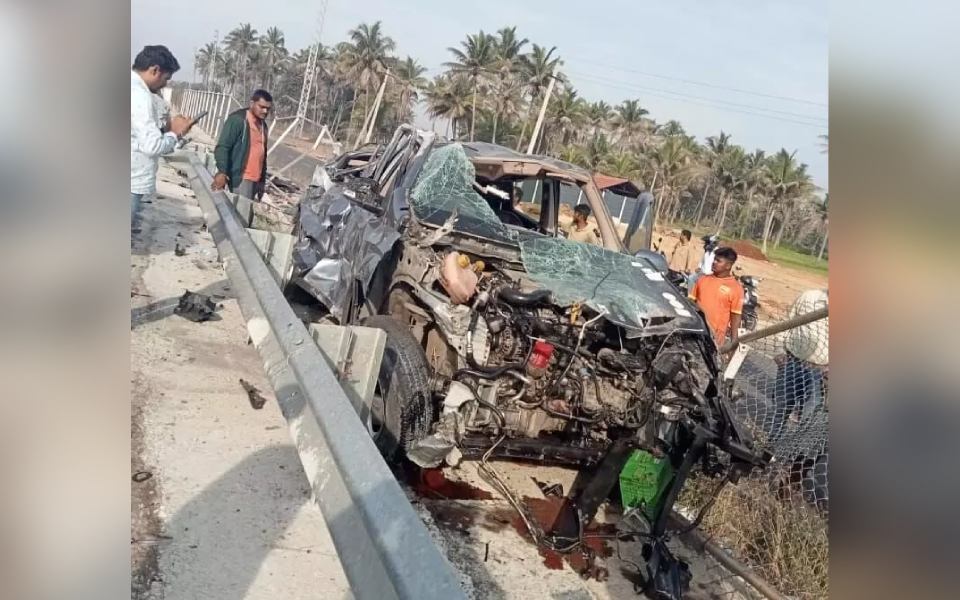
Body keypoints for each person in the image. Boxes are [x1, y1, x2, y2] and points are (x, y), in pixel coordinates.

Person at [131, 45, 194, 225]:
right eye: (166, 78)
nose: (165, 84)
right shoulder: (140, 95)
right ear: (155, 70)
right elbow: (152, 146)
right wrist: (175, 133)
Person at [770, 289, 829, 443]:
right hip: (792, 361)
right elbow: (787, 321)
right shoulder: (809, 297)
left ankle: (794, 454)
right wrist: (779, 351)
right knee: (782, 406)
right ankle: (770, 446)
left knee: (809, 415)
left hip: (820, 371)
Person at [211, 89, 273, 200]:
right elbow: (223, 147)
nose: (265, 111)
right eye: (261, 107)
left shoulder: (263, 126)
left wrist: (261, 181)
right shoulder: (238, 120)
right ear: (252, 103)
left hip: (255, 180)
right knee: (238, 213)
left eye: (268, 108)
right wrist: (222, 172)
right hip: (241, 179)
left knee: (244, 214)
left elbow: (263, 156)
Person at [688, 246, 743, 345]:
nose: (714, 262)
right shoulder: (702, 279)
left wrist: (734, 340)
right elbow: (691, 301)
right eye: (714, 259)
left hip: (715, 338)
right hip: (695, 331)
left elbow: (735, 315)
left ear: (728, 265)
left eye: (718, 261)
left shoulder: (736, 288)